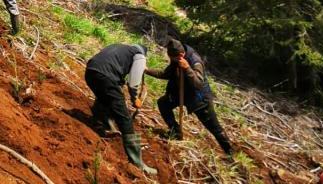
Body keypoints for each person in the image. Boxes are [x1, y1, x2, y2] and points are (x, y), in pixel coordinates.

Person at [145, 38, 233, 155]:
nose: (171, 60)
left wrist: (187, 68)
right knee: (163, 103)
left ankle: (230, 153)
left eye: (173, 58)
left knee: (214, 128)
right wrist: (147, 70)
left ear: (181, 54)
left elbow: (198, 84)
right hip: (181, 93)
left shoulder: (195, 61)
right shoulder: (176, 58)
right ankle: (175, 132)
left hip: (200, 99)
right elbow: (166, 74)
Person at [85, 43, 157, 175]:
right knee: (125, 118)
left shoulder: (119, 47)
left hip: (90, 71)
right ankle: (137, 162)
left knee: (104, 97)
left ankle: (104, 124)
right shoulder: (140, 56)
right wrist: (135, 98)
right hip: (105, 77)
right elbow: (133, 83)